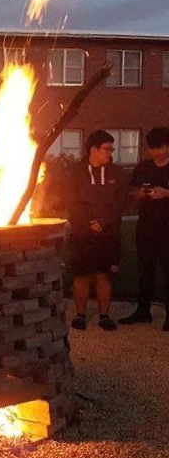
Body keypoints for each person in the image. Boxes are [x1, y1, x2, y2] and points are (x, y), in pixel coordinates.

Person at [65, 130, 128, 331]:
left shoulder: (117, 173)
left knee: (104, 275)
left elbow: (119, 203)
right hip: (82, 234)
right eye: (107, 149)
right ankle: (80, 315)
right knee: (81, 275)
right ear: (93, 149)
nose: (110, 153)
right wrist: (88, 222)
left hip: (108, 234)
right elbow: (71, 202)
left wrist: (104, 222)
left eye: (112, 149)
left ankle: (104, 316)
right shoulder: (76, 171)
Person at [119, 127, 169, 330]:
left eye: (162, 147)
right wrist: (140, 193)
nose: (158, 152)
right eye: (154, 148)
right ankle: (143, 311)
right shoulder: (143, 168)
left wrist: (166, 193)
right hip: (146, 227)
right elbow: (131, 194)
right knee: (145, 270)